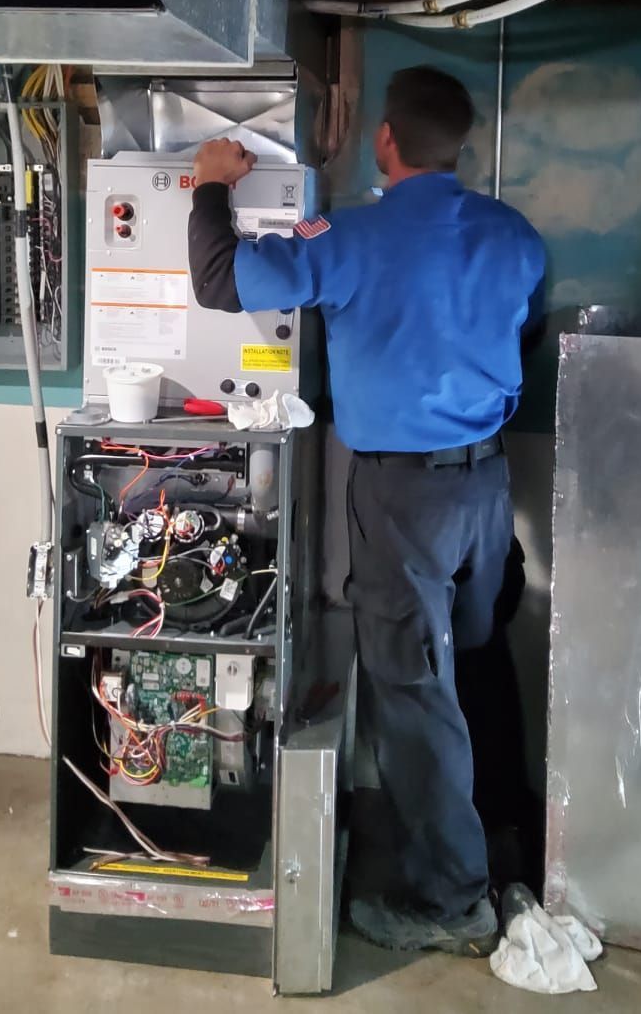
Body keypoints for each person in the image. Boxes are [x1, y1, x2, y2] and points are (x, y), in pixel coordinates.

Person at [188, 65, 545, 956]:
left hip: (403, 497)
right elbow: (524, 330)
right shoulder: (515, 235)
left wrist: (206, 184)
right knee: (470, 660)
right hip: (485, 488)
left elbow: (220, 281)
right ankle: (501, 847)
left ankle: (449, 897)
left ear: (386, 138)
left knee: (411, 689)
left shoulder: (353, 237)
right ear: (458, 142)